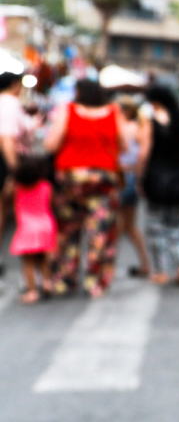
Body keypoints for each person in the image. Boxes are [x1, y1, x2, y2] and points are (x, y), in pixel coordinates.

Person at [45, 79, 125, 298]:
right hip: (103, 179)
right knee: (100, 233)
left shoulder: (67, 110)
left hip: (70, 178)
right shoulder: (113, 112)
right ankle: (95, 282)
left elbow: (51, 144)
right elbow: (124, 144)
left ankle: (63, 279)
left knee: (67, 230)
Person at [139, 86, 179, 286]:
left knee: (156, 228)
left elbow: (144, 153)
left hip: (156, 179)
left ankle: (161, 270)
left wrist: (140, 176)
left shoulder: (150, 123)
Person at [9, 155, 56, 304]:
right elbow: (51, 204)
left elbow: (6, 197)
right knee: (42, 258)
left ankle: (32, 291)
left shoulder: (17, 188)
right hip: (45, 225)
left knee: (27, 261)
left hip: (27, 227)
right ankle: (47, 282)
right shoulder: (46, 186)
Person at [116, 100, 151, 278]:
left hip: (121, 176)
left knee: (116, 225)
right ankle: (145, 263)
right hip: (132, 177)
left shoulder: (122, 127)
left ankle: (106, 267)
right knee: (129, 226)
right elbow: (143, 154)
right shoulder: (140, 127)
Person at [0, 72, 24, 281]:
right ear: (15, 84)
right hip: (4, 161)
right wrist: (13, 170)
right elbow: (7, 138)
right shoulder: (10, 104)